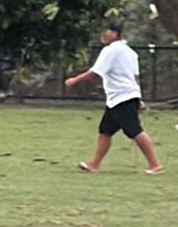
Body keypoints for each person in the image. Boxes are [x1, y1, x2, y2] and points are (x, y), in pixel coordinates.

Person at [65, 21, 163, 175]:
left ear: (116, 34)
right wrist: (139, 98)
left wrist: (74, 80)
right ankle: (94, 165)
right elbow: (135, 78)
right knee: (105, 131)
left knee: (134, 130)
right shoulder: (131, 53)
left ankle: (155, 165)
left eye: (108, 31)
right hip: (118, 98)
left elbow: (95, 73)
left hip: (122, 97)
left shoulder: (111, 51)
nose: (105, 35)